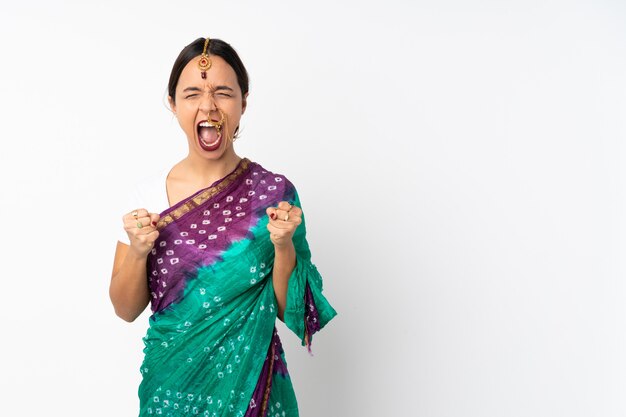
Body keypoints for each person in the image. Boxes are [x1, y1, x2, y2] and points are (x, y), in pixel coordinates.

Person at [109, 37, 337, 417]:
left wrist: (283, 246)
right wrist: (137, 251)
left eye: (223, 93)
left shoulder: (274, 196)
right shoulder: (145, 197)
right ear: (173, 104)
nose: (208, 105)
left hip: (250, 387)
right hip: (171, 387)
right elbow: (125, 308)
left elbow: (289, 309)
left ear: (243, 103)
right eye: (193, 93)